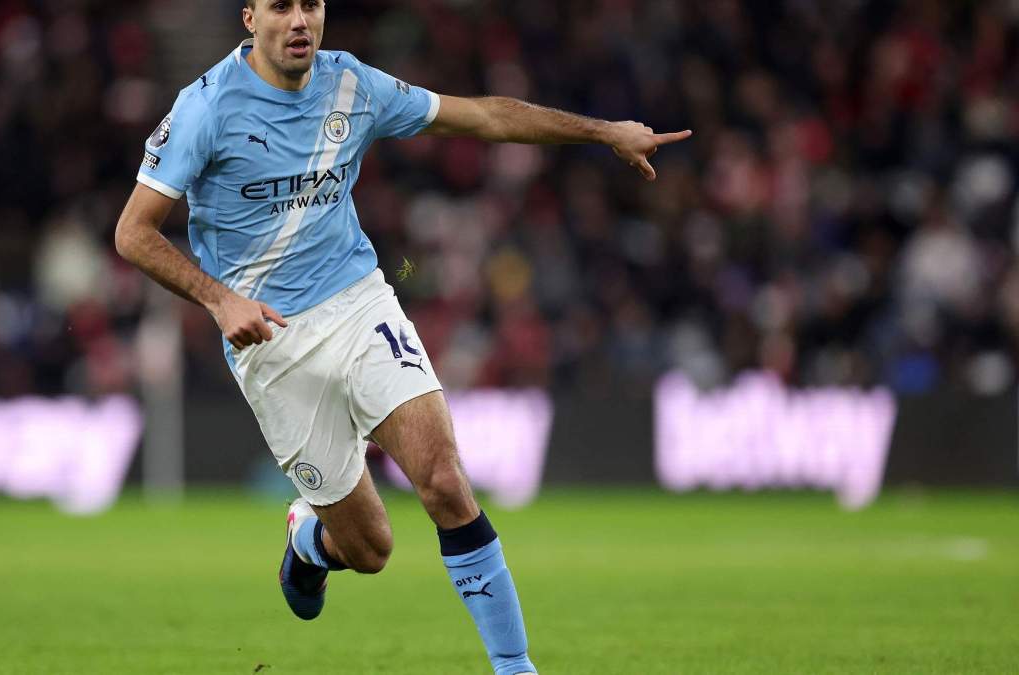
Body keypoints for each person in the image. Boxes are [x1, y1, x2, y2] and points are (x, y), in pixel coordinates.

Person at [114, 1, 691, 672]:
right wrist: (219, 299)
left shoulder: (353, 84)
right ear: (249, 18)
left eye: (312, 4)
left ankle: (514, 666)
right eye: (281, 6)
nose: (299, 20)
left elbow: (483, 115)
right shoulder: (204, 108)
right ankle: (309, 542)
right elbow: (133, 232)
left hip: (360, 305)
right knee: (372, 548)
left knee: (444, 480)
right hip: (270, 342)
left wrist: (604, 132)